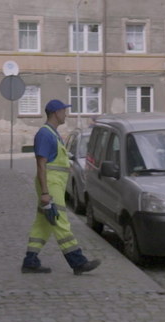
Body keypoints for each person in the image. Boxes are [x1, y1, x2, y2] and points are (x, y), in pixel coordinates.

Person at [22, 99, 101, 275]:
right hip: (50, 185)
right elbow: (41, 164)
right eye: (64, 111)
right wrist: (44, 193)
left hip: (53, 184)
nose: (66, 114)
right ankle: (78, 262)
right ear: (56, 113)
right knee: (60, 221)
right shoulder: (45, 134)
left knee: (43, 224)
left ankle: (30, 260)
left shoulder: (52, 133)